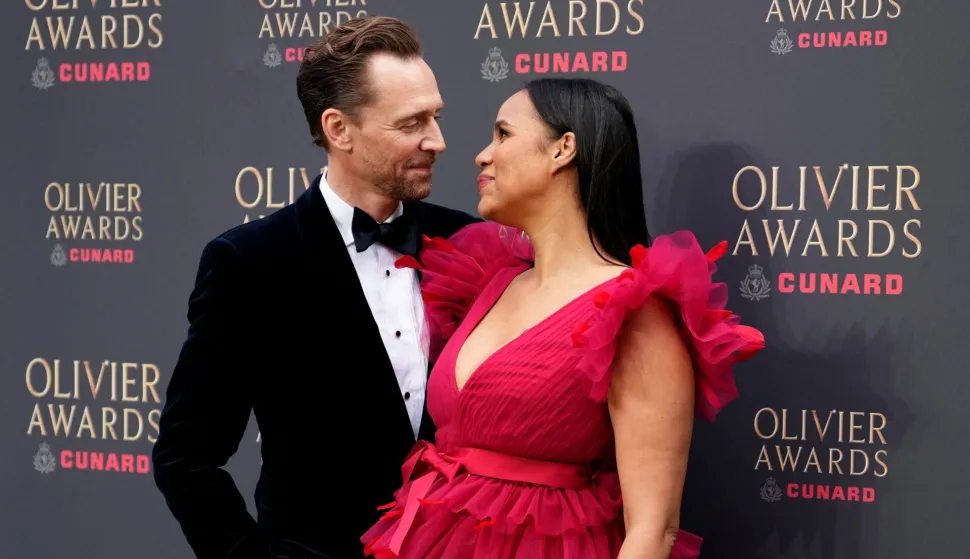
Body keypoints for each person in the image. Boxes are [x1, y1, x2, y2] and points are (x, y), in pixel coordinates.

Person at [359, 78, 766, 559]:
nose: (482, 155)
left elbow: (653, 532)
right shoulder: (491, 283)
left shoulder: (633, 310)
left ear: (563, 149)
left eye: (503, 135)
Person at [151, 16, 479, 559]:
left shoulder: (468, 243)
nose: (438, 140)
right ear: (338, 129)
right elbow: (186, 456)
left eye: (436, 116)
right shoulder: (249, 263)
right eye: (411, 122)